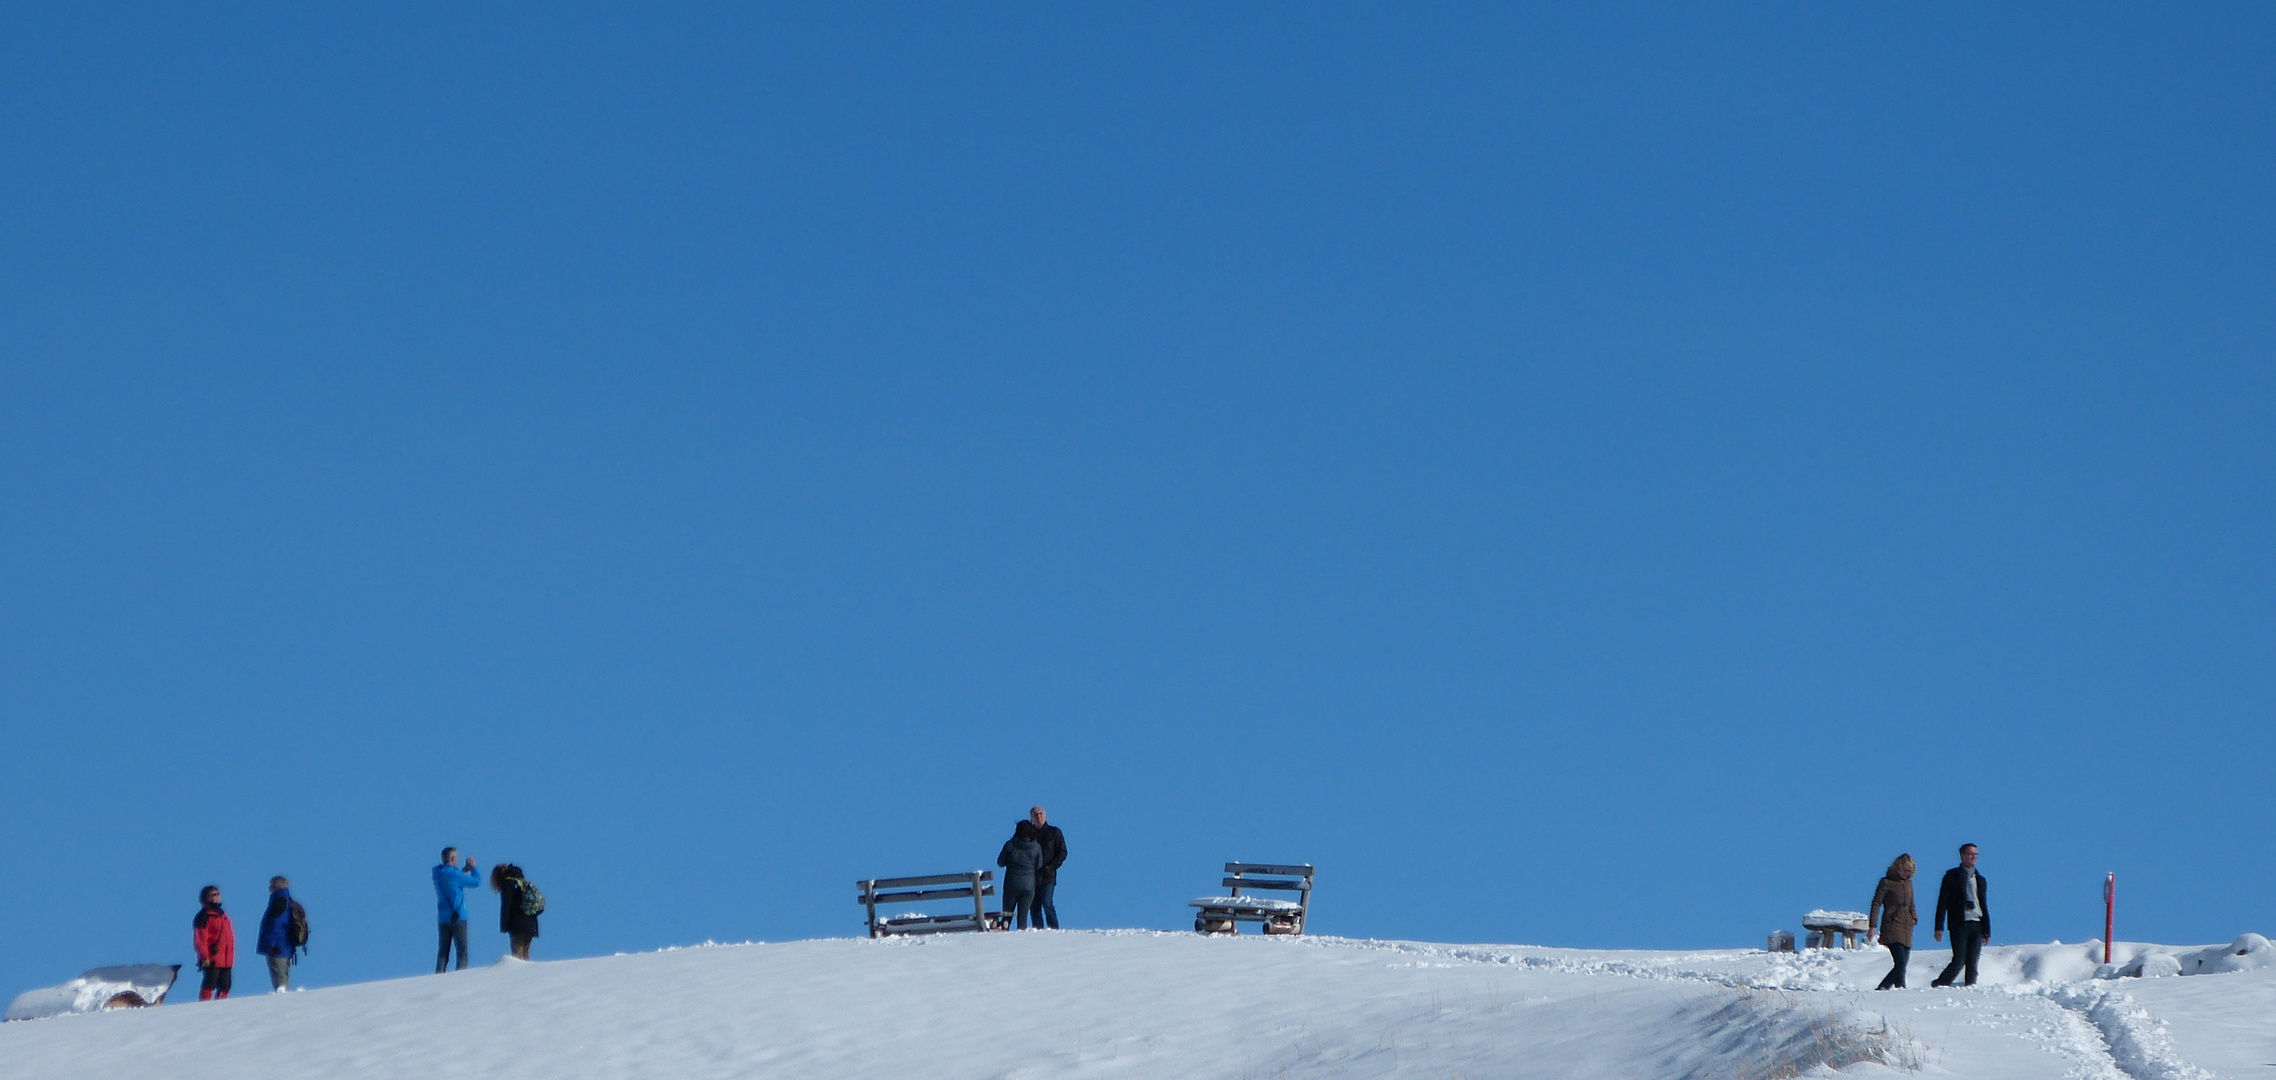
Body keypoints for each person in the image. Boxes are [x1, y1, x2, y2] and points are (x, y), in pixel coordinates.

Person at [1931, 843, 1990, 987]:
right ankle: (1940, 984)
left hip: (1977, 922)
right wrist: (1939, 926)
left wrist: (1987, 930)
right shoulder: (1952, 876)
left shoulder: (1980, 879)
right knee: (1959, 959)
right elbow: (1942, 902)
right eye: (1970, 853)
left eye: (1975, 854)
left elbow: (1983, 904)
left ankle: (1970, 986)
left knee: (1973, 960)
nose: (1973, 857)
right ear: (1962, 856)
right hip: (1959, 923)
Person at [1867, 854, 1917, 990]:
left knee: (1903, 964)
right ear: (1898, 867)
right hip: (1892, 924)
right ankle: (1900, 988)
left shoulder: (1909, 884)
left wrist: (1914, 918)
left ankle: (1885, 987)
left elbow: (1912, 903)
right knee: (1900, 962)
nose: (1907, 874)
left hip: (1907, 927)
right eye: (1905, 870)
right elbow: (1876, 903)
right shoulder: (1886, 882)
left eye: (1910, 871)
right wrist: (1873, 926)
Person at [433, 847, 480, 973]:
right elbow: (476, 882)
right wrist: (473, 868)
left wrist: (464, 870)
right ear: (453, 858)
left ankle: (438, 976)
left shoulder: (438, 874)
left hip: (443, 918)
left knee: (443, 952)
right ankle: (460, 977)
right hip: (458, 917)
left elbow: (452, 877)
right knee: (462, 951)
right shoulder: (454, 875)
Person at [996, 820, 1045, 929]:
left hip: (1011, 885)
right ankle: (1021, 939)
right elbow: (1039, 865)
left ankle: (1003, 935)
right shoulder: (1036, 847)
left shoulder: (1010, 845)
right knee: (1023, 917)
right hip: (1028, 886)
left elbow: (1000, 862)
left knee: (1007, 915)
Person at [192, 885, 235, 1001]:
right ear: (206, 898)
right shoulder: (204, 916)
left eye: (218, 894)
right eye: (214, 894)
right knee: (210, 983)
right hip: (212, 958)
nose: (217, 897)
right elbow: (200, 939)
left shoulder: (222, 915)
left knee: (225, 985)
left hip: (226, 958)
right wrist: (204, 956)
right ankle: (204, 1005)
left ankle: (221, 1006)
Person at [256, 876, 299, 991]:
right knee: (283, 977)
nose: (270, 889)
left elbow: (275, 925)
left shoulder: (279, 903)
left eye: (271, 886)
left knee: (280, 982)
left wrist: (269, 945)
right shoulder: (288, 901)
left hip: (277, 947)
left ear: (276, 887)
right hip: (287, 947)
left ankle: (283, 1004)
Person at [490, 863, 540, 960]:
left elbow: (506, 906)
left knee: (517, 956)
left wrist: (504, 926)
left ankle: (521, 975)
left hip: (517, 925)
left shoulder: (507, 884)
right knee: (526, 954)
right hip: (531, 923)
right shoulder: (522, 882)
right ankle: (530, 975)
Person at [1029, 806, 1067, 930]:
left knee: (1047, 903)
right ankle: (1037, 930)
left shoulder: (1054, 832)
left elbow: (1062, 852)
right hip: (1031, 876)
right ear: (1031, 819)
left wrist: (1051, 867)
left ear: (1045, 816)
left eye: (1040, 814)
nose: (1038, 817)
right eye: (1035, 815)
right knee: (1034, 907)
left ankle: (1054, 929)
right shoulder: (1028, 835)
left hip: (1048, 876)